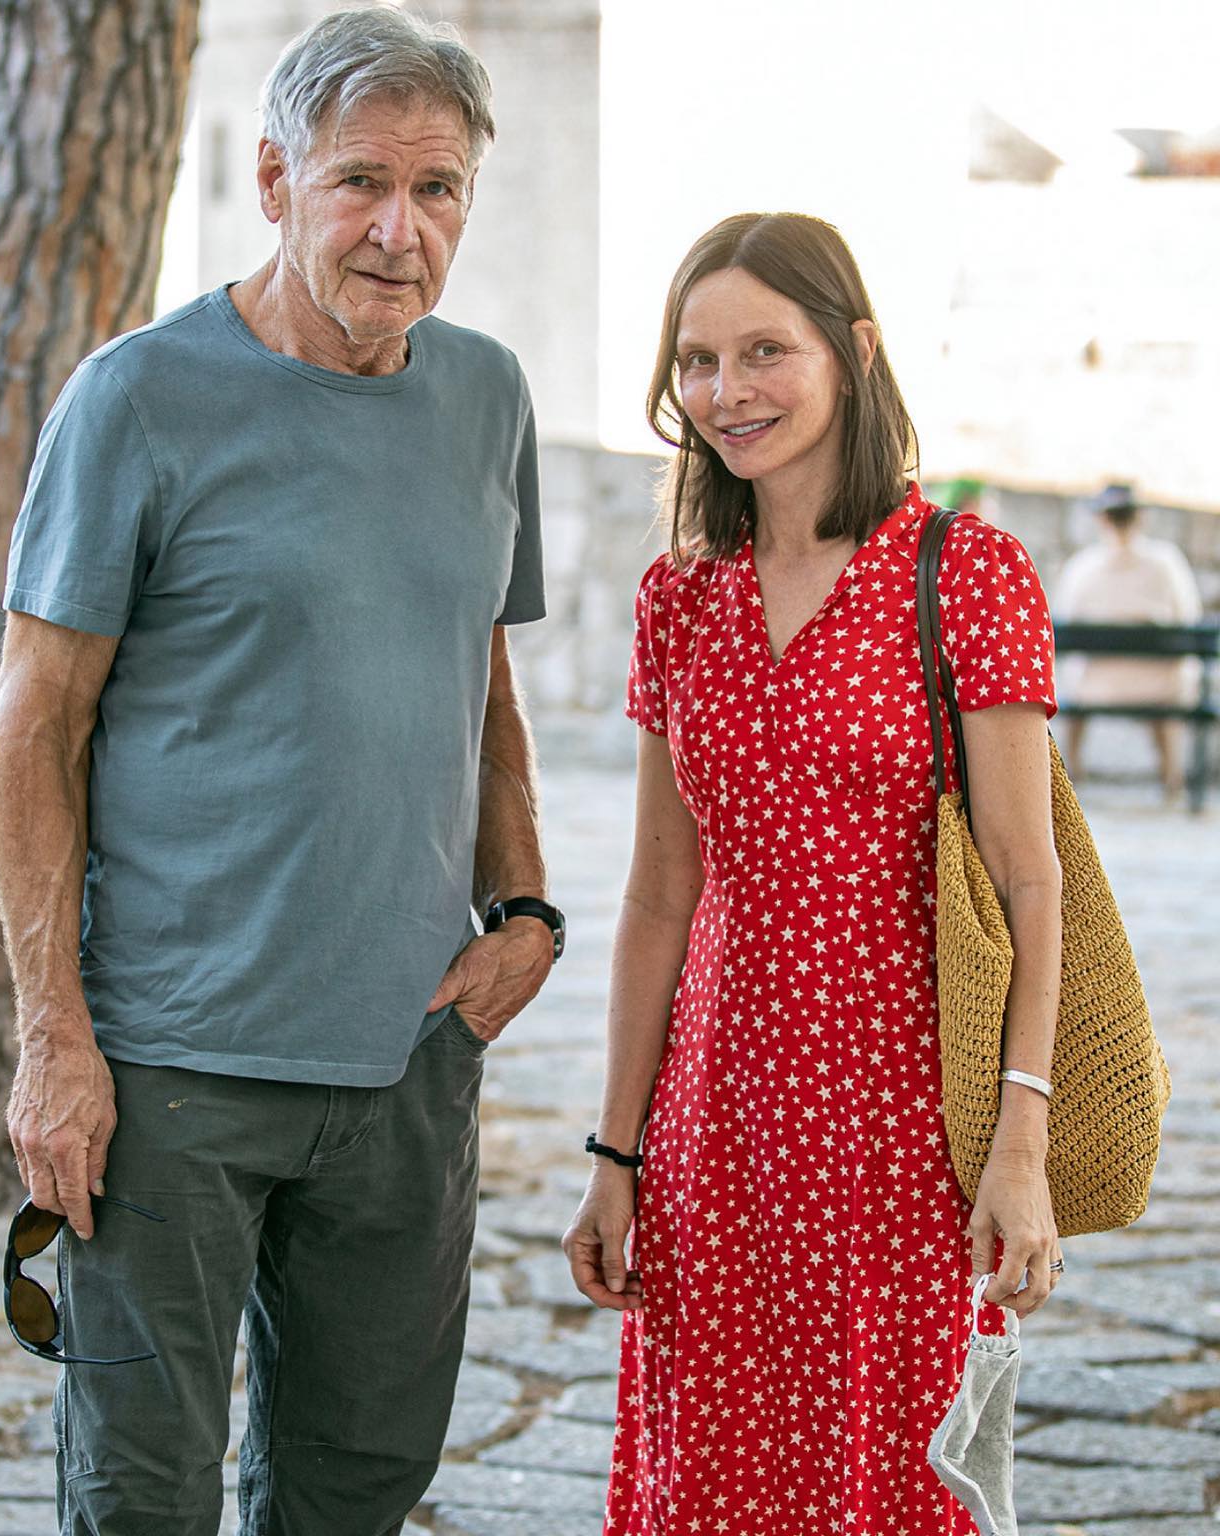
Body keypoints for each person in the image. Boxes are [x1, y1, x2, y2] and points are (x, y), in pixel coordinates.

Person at [0, 10, 564, 1534]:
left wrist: (526, 911)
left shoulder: (488, 396)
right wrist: (54, 1043)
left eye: (437, 189)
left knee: (359, 1481)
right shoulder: (136, 399)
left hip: (407, 1057)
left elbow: (481, 675)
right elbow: (33, 731)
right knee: (143, 1493)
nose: (398, 229)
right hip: (170, 1068)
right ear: (272, 179)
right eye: (360, 180)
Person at [561, 213, 1064, 1535]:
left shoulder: (967, 575)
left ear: (856, 352)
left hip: (907, 1135)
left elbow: (1030, 882)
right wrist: (616, 1153)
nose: (727, 390)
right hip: (715, 1131)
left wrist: (1020, 1145)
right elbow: (659, 897)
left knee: (893, 1489)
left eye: (764, 351)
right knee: (708, 1485)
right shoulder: (679, 599)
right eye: (698, 360)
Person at [1055, 484, 1204, 798]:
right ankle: (1172, 780)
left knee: (1072, 681)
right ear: (1140, 517)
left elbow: (1064, 623)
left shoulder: (1082, 567)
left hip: (1095, 687)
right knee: (1172, 685)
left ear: (1101, 519)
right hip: (1159, 688)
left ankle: (1070, 779)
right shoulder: (1167, 563)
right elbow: (1188, 619)